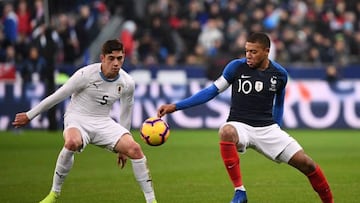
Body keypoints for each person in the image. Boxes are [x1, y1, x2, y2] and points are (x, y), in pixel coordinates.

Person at [157, 32, 333, 203]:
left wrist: (277, 127)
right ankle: (240, 191)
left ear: (266, 51)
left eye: (253, 52)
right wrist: (176, 106)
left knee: (307, 164)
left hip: (267, 129)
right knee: (226, 131)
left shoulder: (280, 74)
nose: (248, 55)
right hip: (239, 125)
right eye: (247, 51)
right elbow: (211, 91)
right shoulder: (236, 67)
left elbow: (278, 104)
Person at [12, 39, 157, 203]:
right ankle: (54, 193)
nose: (116, 63)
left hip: (103, 121)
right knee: (72, 143)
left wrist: (124, 146)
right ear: (102, 58)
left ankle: (151, 201)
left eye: (120, 58)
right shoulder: (85, 75)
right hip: (77, 118)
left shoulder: (127, 82)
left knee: (135, 149)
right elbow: (57, 96)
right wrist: (30, 115)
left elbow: (126, 112)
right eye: (111, 58)